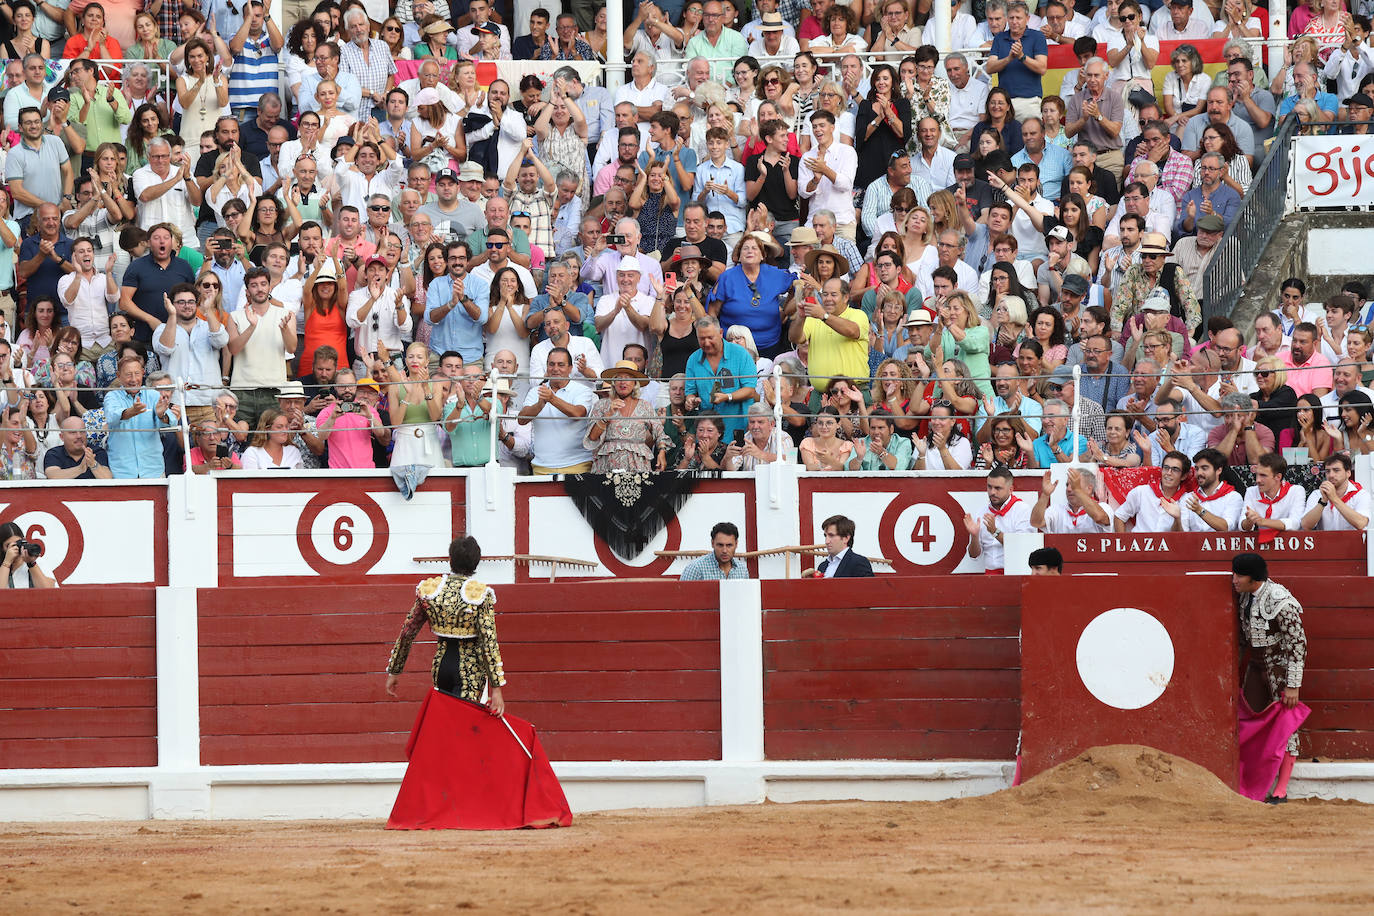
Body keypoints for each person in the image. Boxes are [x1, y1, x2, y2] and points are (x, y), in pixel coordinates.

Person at [1232, 552, 1308, 804]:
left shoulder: (1280, 600)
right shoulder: (1245, 597)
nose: (1233, 579)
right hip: (1255, 667)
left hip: (1279, 669)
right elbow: (1242, 640)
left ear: (1253, 579)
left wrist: (1293, 685)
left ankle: (1281, 789)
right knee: (1248, 722)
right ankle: (1249, 783)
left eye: (1239, 575)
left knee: (1285, 726)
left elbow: (1298, 643)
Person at [518, 346, 598, 474]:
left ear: (570, 368)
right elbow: (521, 420)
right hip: (542, 466)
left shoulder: (582, 390)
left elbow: (578, 414)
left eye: (561, 365)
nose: (555, 369)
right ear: (547, 367)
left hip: (578, 464)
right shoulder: (536, 392)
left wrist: (552, 399)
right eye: (551, 364)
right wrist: (540, 404)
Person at [584, 360, 669, 472]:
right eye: (619, 378)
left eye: (628, 378)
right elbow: (592, 438)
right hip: (607, 466)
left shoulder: (645, 406)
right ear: (613, 382)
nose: (623, 382)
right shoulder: (601, 405)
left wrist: (662, 452)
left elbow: (659, 433)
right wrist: (608, 415)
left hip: (638, 465)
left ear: (635, 383)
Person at [963, 466, 1035, 573]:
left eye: (998, 488)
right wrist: (974, 536)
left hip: (1016, 574)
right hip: (989, 576)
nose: (992, 492)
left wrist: (995, 532)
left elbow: (1022, 547)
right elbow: (974, 555)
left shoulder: (1022, 510)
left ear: (1011, 489)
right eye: (989, 487)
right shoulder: (981, 512)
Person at [1115, 449, 1192, 531]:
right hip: (1140, 542)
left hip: (1166, 543)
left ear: (1184, 476)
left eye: (1175, 469)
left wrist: (1177, 519)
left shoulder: (1187, 501)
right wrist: (1125, 543)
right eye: (1166, 468)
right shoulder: (1142, 492)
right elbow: (1119, 517)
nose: (1169, 473)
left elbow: (1180, 539)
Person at [1169, 447, 1243, 532]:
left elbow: (1226, 527)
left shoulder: (1233, 497)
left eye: (1204, 468)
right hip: (1194, 545)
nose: (1199, 473)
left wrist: (1200, 510)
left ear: (1219, 470)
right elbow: (1181, 536)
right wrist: (1177, 519)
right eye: (1197, 469)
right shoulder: (1188, 497)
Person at [1241, 453, 1308, 543]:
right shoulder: (1251, 491)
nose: (1257, 480)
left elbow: (1295, 523)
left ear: (1278, 477)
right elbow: (1242, 525)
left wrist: (1262, 521)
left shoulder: (1296, 491)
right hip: (1261, 546)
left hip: (1290, 546)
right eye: (1257, 474)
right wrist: (1249, 521)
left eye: (1263, 475)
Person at [1301, 453, 1370, 530]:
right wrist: (1323, 501)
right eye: (1327, 471)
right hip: (1324, 541)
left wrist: (1334, 498)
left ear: (1348, 473)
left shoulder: (1361, 494)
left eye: (1336, 470)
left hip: (1352, 541)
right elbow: (1305, 525)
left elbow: (1361, 524)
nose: (1331, 475)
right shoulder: (1317, 494)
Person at [1031, 467, 1111, 533]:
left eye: (1074, 485)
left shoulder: (1103, 507)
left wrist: (1078, 491)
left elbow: (1099, 517)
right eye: (1067, 485)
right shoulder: (1057, 510)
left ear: (1089, 489)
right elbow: (1035, 522)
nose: (1069, 489)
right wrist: (1045, 495)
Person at [802, 514, 874, 578]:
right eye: (825, 536)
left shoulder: (859, 562)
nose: (826, 541)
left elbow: (869, 591)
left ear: (846, 538)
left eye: (831, 535)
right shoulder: (823, 566)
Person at [680, 521, 750, 579]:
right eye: (720, 545)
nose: (724, 550)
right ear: (712, 543)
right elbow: (680, 594)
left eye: (729, 545)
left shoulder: (742, 570)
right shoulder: (696, 568)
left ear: (736, 544)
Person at [0, 520, 57, 587]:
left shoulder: (38, 562)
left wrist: (31, 564)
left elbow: (48, 591)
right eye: (9, 545)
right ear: (2, 548)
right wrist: (7, 563)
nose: (15, 548)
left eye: (18, 543)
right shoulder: (2, 568)